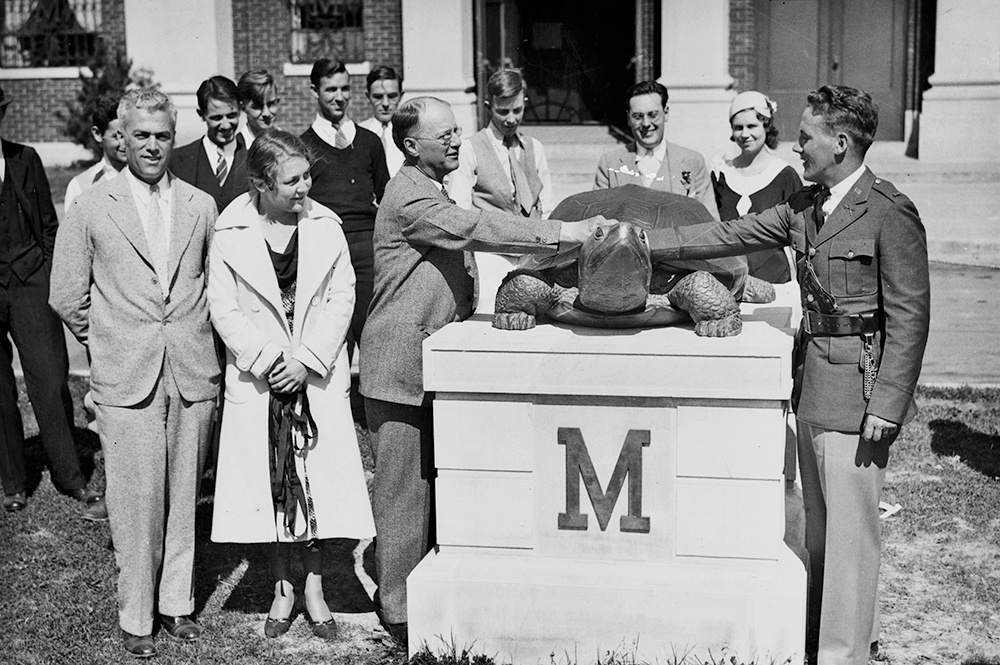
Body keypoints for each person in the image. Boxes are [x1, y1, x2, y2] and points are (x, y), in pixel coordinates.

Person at [643, 85, 930, 665]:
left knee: (852, 530)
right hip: (815, 382)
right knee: (823, 529)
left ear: (841, 143)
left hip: (863, 390)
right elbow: (728, 235)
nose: (797, 148)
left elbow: (911, 316)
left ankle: (842, 654)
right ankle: (841, 637)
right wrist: (645, 240)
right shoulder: (805, 205)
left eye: (807, 138)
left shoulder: (887, 210)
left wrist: (888, 405)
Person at [360, 96, 608, 643]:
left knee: (433, 486)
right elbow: (476, 228)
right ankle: (399, 611)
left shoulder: (431, 187)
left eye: (456, 131)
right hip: (399, 363)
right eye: (443, 134)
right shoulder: (411, 199)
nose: (456, 142)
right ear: (409, 145)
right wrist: (564, 232)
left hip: (430, 360)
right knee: (404, 493)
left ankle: (420, 591)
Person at [49, 88, 221, 658]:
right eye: (139, 135)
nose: (151, 145)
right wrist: (111, 339)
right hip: (127, 377)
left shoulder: (200, 205)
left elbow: (211, 287)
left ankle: (176, 604)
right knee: (135, 501)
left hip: (191, 371)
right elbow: (67, 294)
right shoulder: (91, 206)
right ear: (121, 137)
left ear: (175, 138)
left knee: (183, 495)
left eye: (162, 135)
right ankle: (137, 615)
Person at [207, 129, 375, 640]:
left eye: (307, 177)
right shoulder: (230, 231)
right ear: (260, 183)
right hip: (260, 382)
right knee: (271, 485)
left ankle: (315, 589)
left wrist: (307, 360)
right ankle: (282, 587)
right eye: (292, 181)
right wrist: (267, 361)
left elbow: (342, 296)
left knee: (315, 481)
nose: (304, 189)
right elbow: (224, 308)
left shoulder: (325, 225)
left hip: (314, 378)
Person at [0, 84, 101, 515]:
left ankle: (70, 475)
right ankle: (13, 482)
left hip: (28, 282)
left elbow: (48, 227)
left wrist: (42, 276)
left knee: (50, 376)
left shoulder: (24, 159)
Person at [300, 59, 389, 360]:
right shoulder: (304, 146)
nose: (339, 97)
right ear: (314, 91)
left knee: (374, 334)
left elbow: (386, 197)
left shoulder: (369, 142)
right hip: (326, 247)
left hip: (367, 248)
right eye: (330, 89)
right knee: (333, 339)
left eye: (345, 88)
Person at [594, 80, 720, 221]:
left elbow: (711, 223)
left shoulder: (692, 161)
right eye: (638, 116)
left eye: (653, 115)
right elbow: (598, 223)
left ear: (666, 113)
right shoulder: (610, 163)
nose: (646, 124)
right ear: (628, 118)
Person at [711, 91, 801, 283]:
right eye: (738, 127)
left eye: (752, 126)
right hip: (727, 279)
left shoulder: (784, 175)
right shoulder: (720, 174)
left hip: (775, 280)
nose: (745, 134)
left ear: (767, 126)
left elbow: (800, 236)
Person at [448, 67, 554, 219]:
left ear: (525, 104)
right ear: (488, 108)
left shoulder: (535, 147)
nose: (511, 119)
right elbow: (460, 211)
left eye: (517, 110)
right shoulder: (469, 149)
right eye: (503, 112)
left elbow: (548, 207)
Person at [170, 75, 249, 213]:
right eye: (216, 118)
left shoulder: (254, 160)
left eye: (231, 115)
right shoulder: (177, 161)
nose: (225, 125)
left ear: (241, 109)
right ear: (201, 114)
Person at [64, 92, 127, 212]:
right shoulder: (81, 186)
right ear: (98, 134)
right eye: (116, 136)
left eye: (129, 136)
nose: (124, 144)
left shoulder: (147, 178)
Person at [358, 66, 404, 176]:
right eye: (378, 97)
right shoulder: (357, 133)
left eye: (392, 96)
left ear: (401, 96)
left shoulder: (409, 132)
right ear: (368, 97)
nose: (385, 104)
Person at [237, 70, 280, 148]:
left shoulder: (288, 143)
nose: (266, 113)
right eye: (258, 106)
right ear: (242, 107)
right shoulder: (237, 148)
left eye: (271, 104)